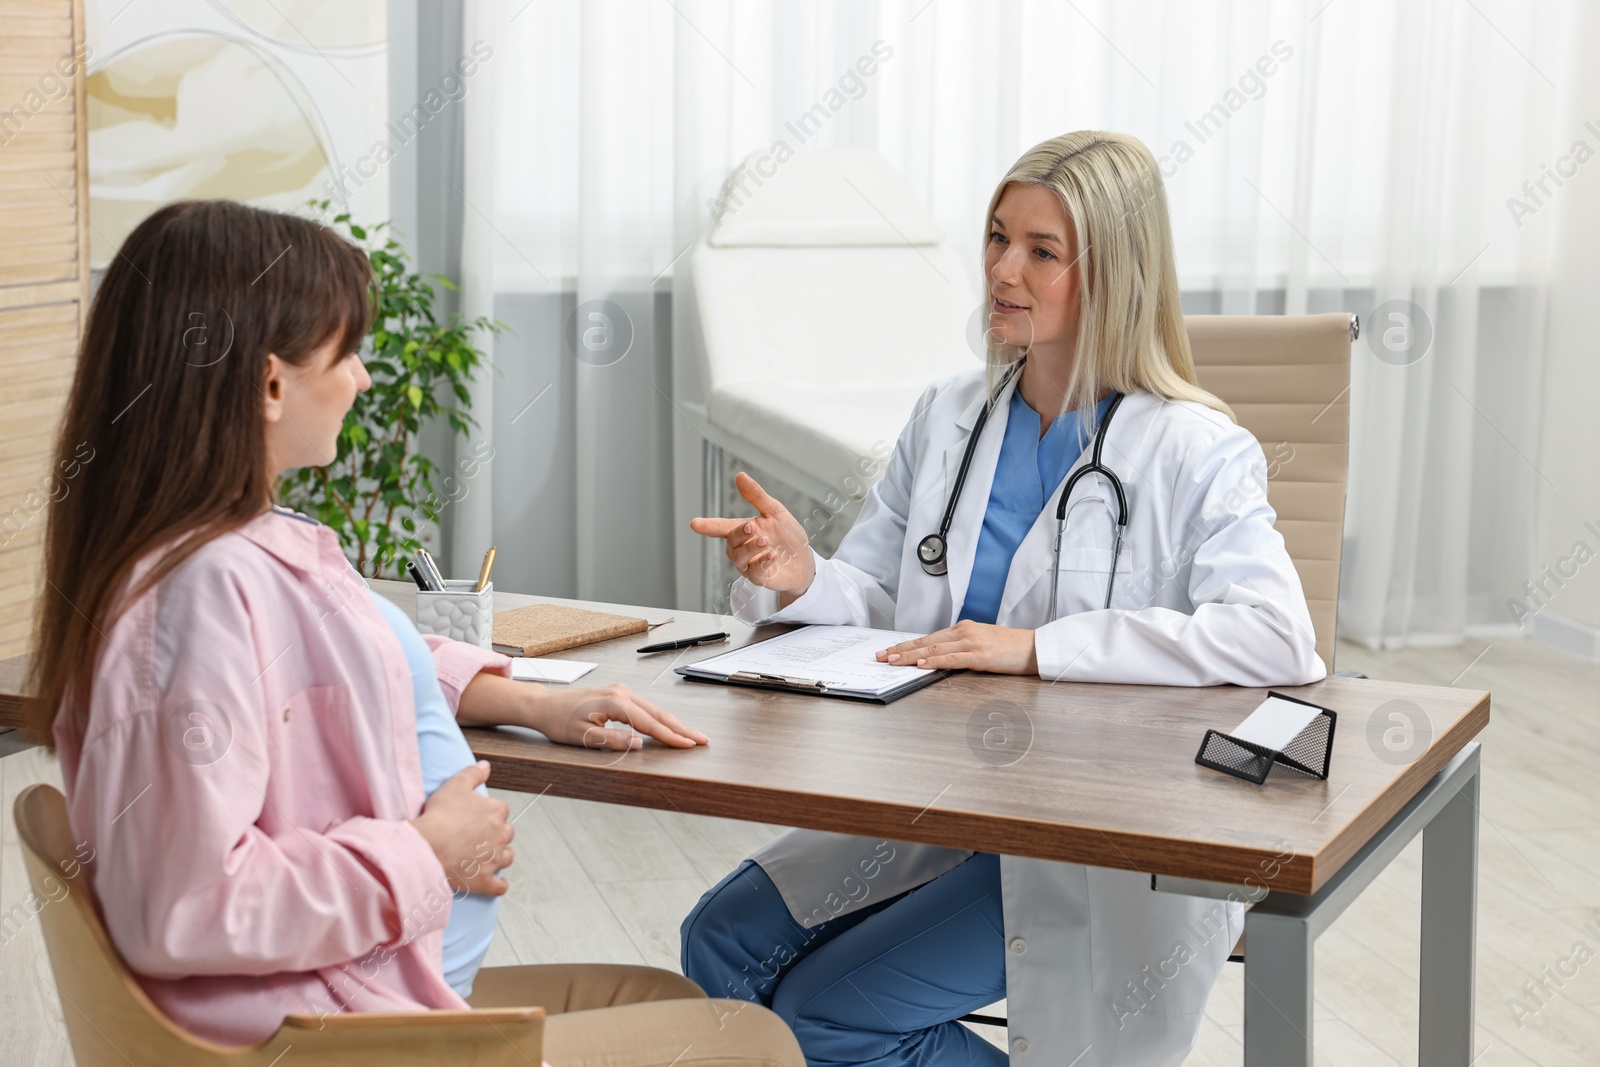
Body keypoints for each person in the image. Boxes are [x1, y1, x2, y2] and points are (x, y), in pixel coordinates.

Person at [28, 199, 802, 1065]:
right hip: (324, 1037)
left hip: (360, 988)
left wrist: (530, 701)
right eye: (346, 351)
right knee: (753, 1044)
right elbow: (184, 906)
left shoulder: (244, 545)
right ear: (270, 382)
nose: (362, 378)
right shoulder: (192, 597)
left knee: (663, 996)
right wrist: (426, 852)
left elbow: (342, 662)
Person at [681, 132, 1326, 1067]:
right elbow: (880, 597)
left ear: (1115, 274)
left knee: (823, 1017)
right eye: (995, 238)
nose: (1002, 270)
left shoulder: (1195, 450)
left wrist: (1039, 647)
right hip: (932, 796)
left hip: (1090, 834)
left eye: (1041, 251)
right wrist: (802, 576)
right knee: (722, 944)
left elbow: (1277, 637)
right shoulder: (948, 415)